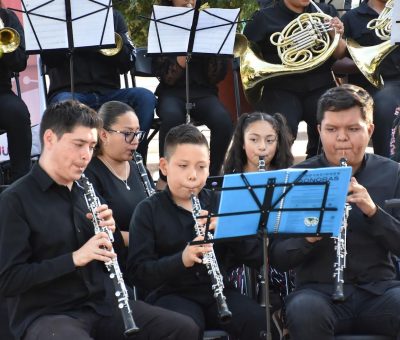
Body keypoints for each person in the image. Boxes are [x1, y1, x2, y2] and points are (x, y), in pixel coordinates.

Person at [0, 100, 200, 340]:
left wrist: (112, 235)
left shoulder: (86, 190)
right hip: (49, 315)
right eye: (78, 144)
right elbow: (9, 280)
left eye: (91, 146)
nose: (86, 155)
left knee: (181, 329)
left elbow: (114, 260)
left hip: (102, 306)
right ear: (50, 139)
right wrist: (75, 258)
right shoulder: (15, 199)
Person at [270, 84, 400, 339]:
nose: (341, 138)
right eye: (331, 129)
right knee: (304, 311)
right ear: (319, 130)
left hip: (380, 292)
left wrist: (373, 212)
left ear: (370, 130)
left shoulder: (392, 173)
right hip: (318, 293)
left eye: (352, 129)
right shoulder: (297, 178)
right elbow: (278, 257)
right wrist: (308, 237)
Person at [127, 124, 266, 339]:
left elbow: (257, 256)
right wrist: (181, 260)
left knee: (257, 320)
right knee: (183, 326)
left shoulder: (220, 202)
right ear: (164, 167)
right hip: (171, 295)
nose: (193, 176)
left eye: (201, 167)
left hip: (219, 293)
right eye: (183, 166)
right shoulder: (147, 211)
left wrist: (227, 228)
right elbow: (138, 273)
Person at [40, 8, 155, 158]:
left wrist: (109, 45)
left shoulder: (113, 17)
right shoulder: (57, 19)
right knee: (64, 103)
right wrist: (70, 38)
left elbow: (128, 62)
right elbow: (49, 60)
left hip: (109, 93)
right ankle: (74, 163)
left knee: (145, 97)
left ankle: (135, 160)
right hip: (71, 93)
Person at [243, 0, 347, 158]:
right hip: (281, 87)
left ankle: (318, 164)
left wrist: (336, 35)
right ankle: (278, 173)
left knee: (333, 126)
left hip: (320, 84)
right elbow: (245, 53)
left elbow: (339, 53)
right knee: (282, 129)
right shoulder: (263, 18)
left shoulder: (325, 12)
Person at [223, 111, 294, 340]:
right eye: (254, 140)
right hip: (241, 256)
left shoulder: (289, 179)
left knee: (289, 271)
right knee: (240, 278)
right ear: (242, 143)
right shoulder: (229, 180)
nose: (262, 147)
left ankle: (288, 320)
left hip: (277, 252)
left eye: (270, 140)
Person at [153, 0, 234, 189]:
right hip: (172, 92)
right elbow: (165, 77)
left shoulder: (209, 22)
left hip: (204, 92)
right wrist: (181, 58)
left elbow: (216, 76)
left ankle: (211, 176)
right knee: (172, 117)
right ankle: (166, 178)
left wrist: (212, 48)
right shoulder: (164, 23)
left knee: (223, 120)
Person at [85, 101, 154, 271]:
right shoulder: (89, 173)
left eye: (137, 133)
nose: (135, 141)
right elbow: (101, 233)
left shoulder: (138, 165)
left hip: (147, 256)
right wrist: (148, 237)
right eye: (127, 133)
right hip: (117, 264)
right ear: (104, 135)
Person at [341, 0, 400, 157]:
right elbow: (338, 63)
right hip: (373, 84)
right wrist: (362, 63)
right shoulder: (351, 18)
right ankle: (387, 163)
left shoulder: (398, 12)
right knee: (386, 105)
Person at [0, 4, 32, 183]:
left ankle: (22, 182)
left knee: (18, 112)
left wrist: (5, 49)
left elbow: (20, 63)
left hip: (1, 92)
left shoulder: (6, 16)